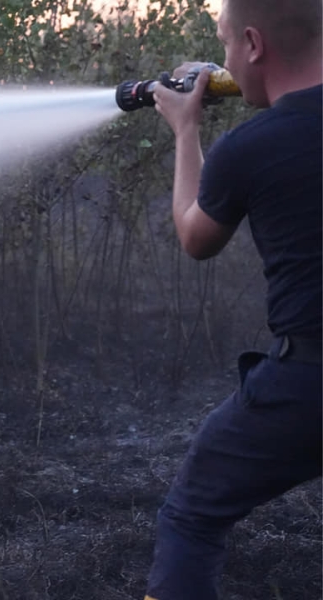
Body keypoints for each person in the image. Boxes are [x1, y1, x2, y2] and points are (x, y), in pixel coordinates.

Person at [143, 0, 322, 598]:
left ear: (252, 43)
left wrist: (186, 129)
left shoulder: (251, 145)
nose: (222, 63)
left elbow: (196, 237)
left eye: (222, 45)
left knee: (190, 518)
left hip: (308, 387)